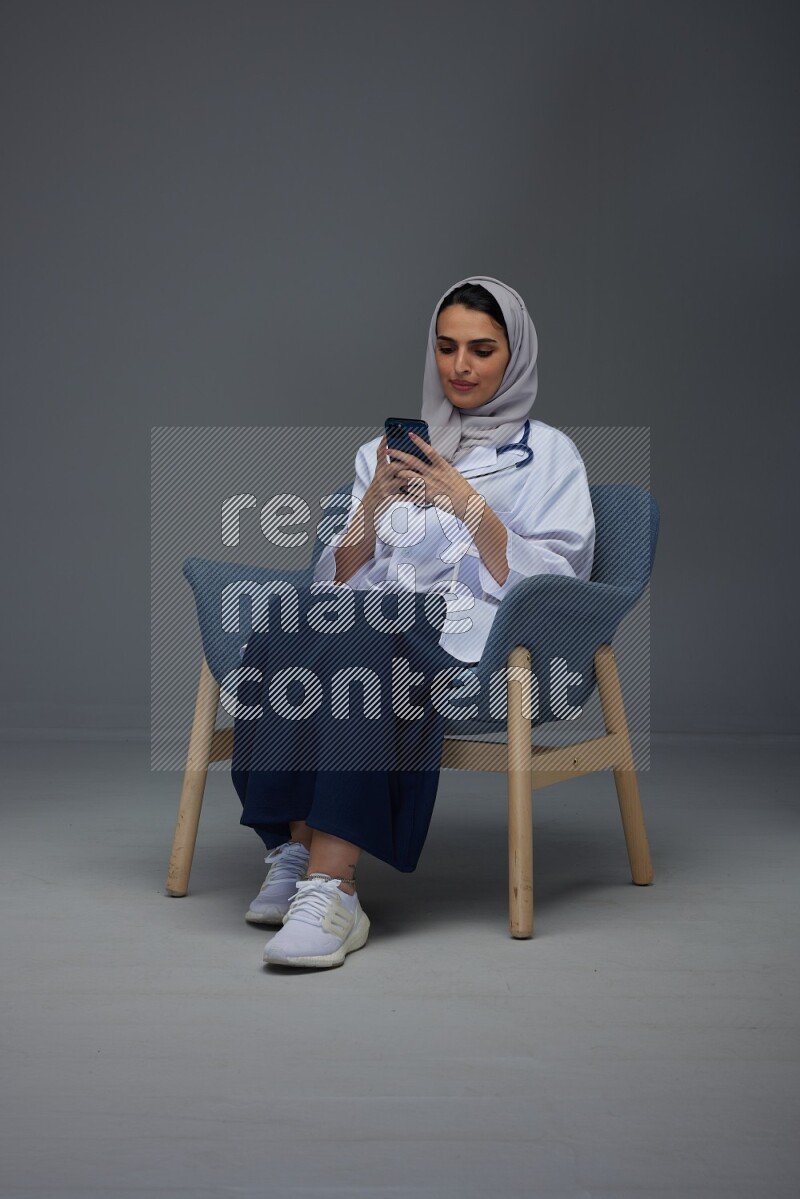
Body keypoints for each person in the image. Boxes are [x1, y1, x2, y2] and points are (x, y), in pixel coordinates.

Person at [230, 275, 595, 970]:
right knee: (283, 621)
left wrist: (465, 502)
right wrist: (371, 503)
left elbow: (557, 580)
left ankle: (334, 887)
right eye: (447, 347)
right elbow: (338, 577)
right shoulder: (385, 452)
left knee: (365, 638)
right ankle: (293, 848)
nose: (460, 366)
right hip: (383, 613)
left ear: (515, 355)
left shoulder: (550, 455)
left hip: (478, 636)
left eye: (482, 350)